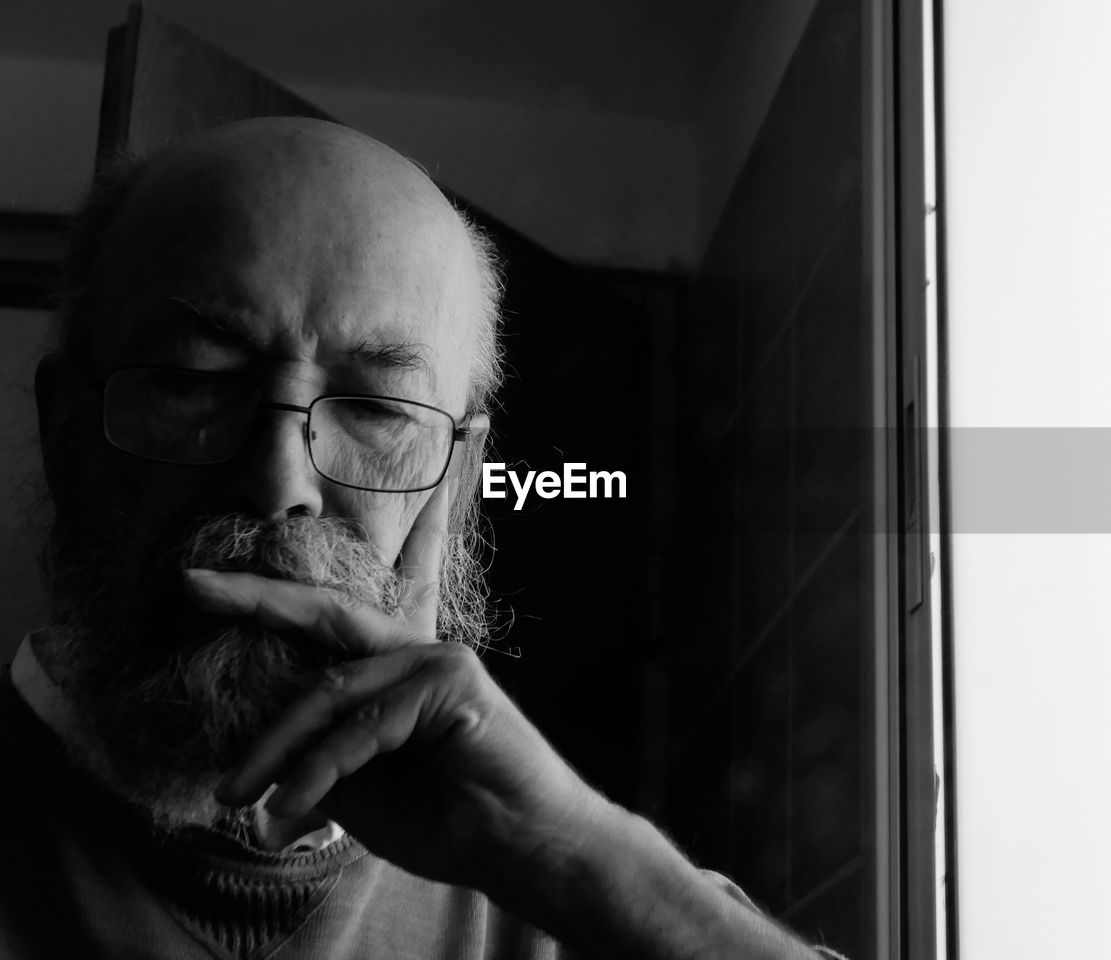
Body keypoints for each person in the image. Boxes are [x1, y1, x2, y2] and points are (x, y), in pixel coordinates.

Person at [1, 117, 839, 959]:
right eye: (195, 380)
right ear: (63, 428)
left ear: (459, 480)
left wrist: (573, 856)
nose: (281, 484)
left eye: (375, 410)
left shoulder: (568, 899)